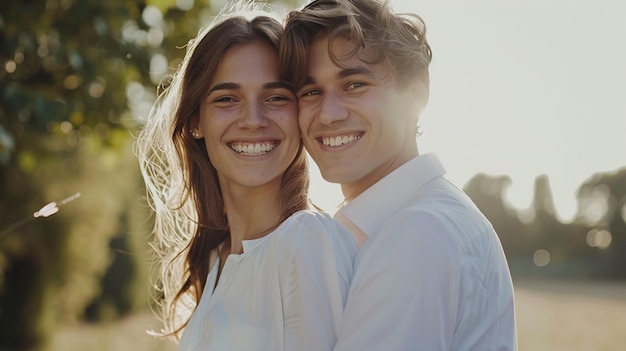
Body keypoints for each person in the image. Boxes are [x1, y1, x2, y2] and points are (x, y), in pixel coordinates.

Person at [279, 0, 518, 350]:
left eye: (354, 85)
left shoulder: (419, 231)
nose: (328, 114)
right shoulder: (403, 222)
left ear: (416, 93)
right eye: (311, 92)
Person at [134, 2, 358, 350]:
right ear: (195, 122)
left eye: (276, 97)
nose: (253, 119)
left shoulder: (308, 242)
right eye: (227, 99)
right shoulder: (214, 261)